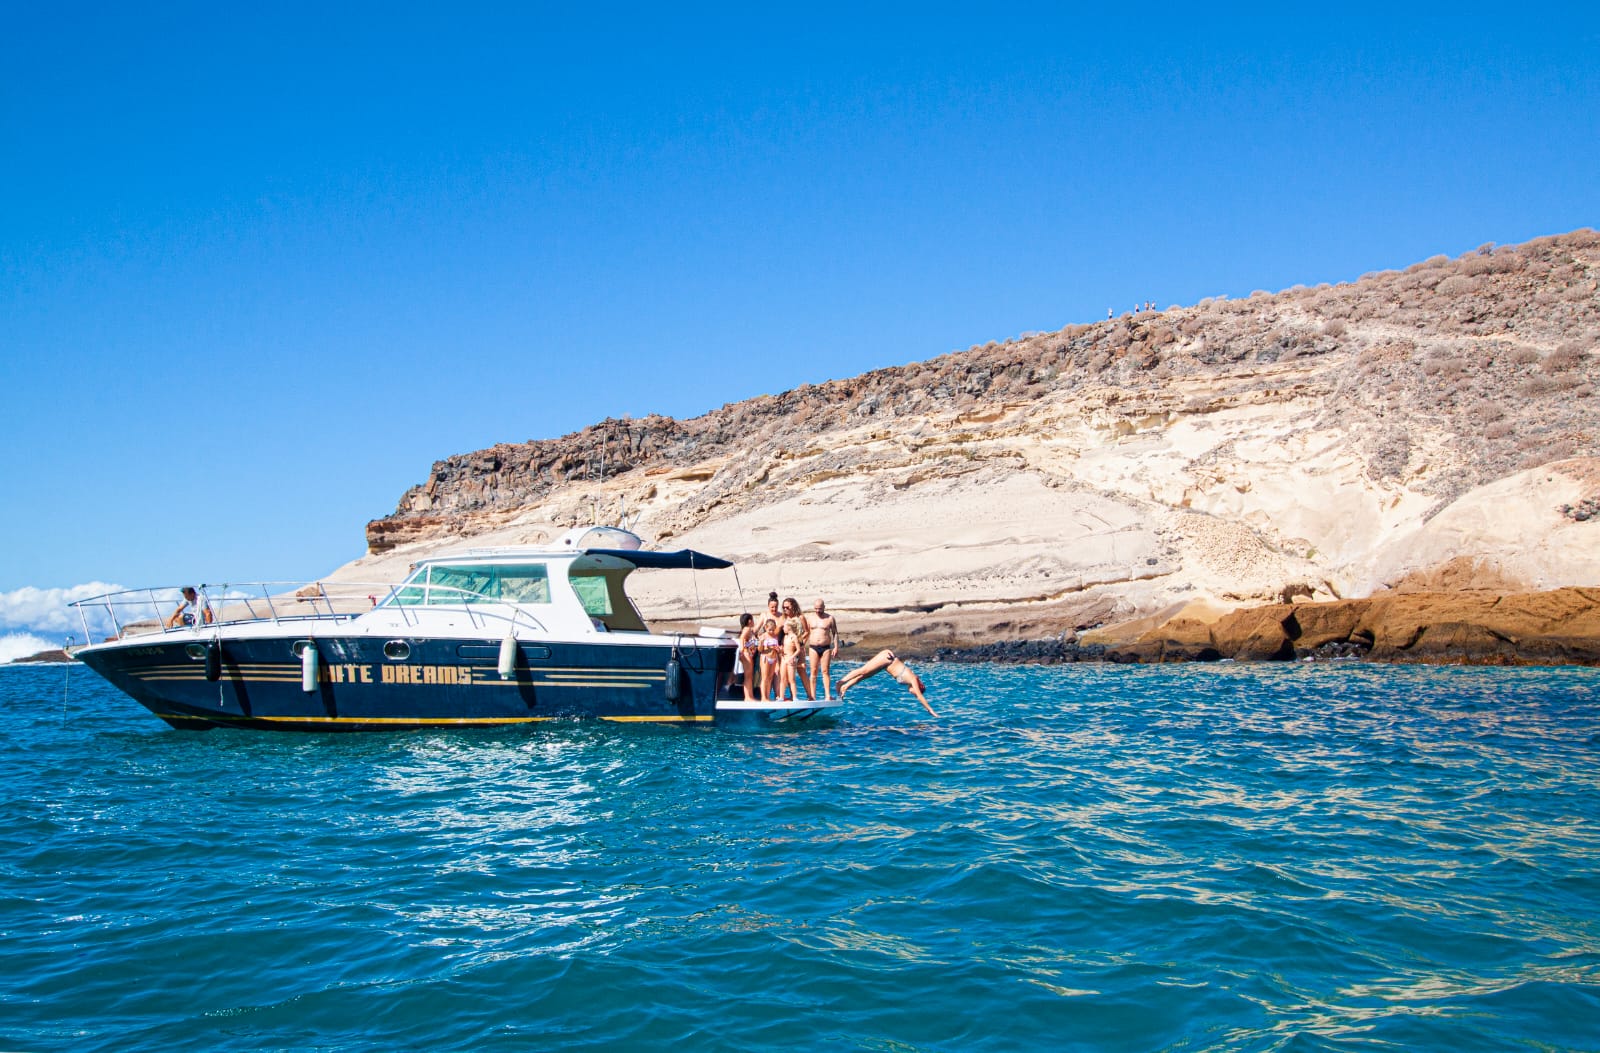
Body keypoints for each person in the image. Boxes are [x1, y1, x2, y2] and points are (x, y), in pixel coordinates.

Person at [837, 648, 935, 716]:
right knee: (863, 670)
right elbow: (920, 697)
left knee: (864, 676)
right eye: (915, 693)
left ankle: (845, 687)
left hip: (886, 665)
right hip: (887, 659)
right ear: (918, 688)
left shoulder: (910, 681)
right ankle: (841, 682)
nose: (913, 694)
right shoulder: (913, 679)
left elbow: (918, 696)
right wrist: (930, 710)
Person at [803, 599, 840, 700]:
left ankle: (827, 695)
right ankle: (812, 696)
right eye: (816, 609)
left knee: (825, 671)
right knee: (813, 671)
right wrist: (802, 646)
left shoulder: (830, 618)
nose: (818, 611)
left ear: (824, 607)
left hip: (826, 648)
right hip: (813, 647)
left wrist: (836, 647)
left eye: (820, 608)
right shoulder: (810, 619)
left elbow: (835, 633)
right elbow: (806, 633)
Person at [780, 597, 812, 702]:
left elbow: (807, 631)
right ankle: (791, 695)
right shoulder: (784, 618)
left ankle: (810, 695)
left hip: (799, 647)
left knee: (801, 670)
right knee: (788, 672)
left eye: (787, 607)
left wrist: (800, 641)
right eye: (783, 607)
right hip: (788, 648)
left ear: (793, 606)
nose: (785, 609)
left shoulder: (800, 617)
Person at [757, 618, 783, 700]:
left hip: (774, 658)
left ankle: (767, 696)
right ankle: (763, 697)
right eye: (769, 630)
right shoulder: (763, 636)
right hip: (765, 658)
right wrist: (761, 643)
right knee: (764, 678)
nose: (771, 631)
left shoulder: (775, 636)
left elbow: (777, 650)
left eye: (773, 630)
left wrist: (778, 649)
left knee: (770, 678)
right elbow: (760, 650)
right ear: (766, 628)